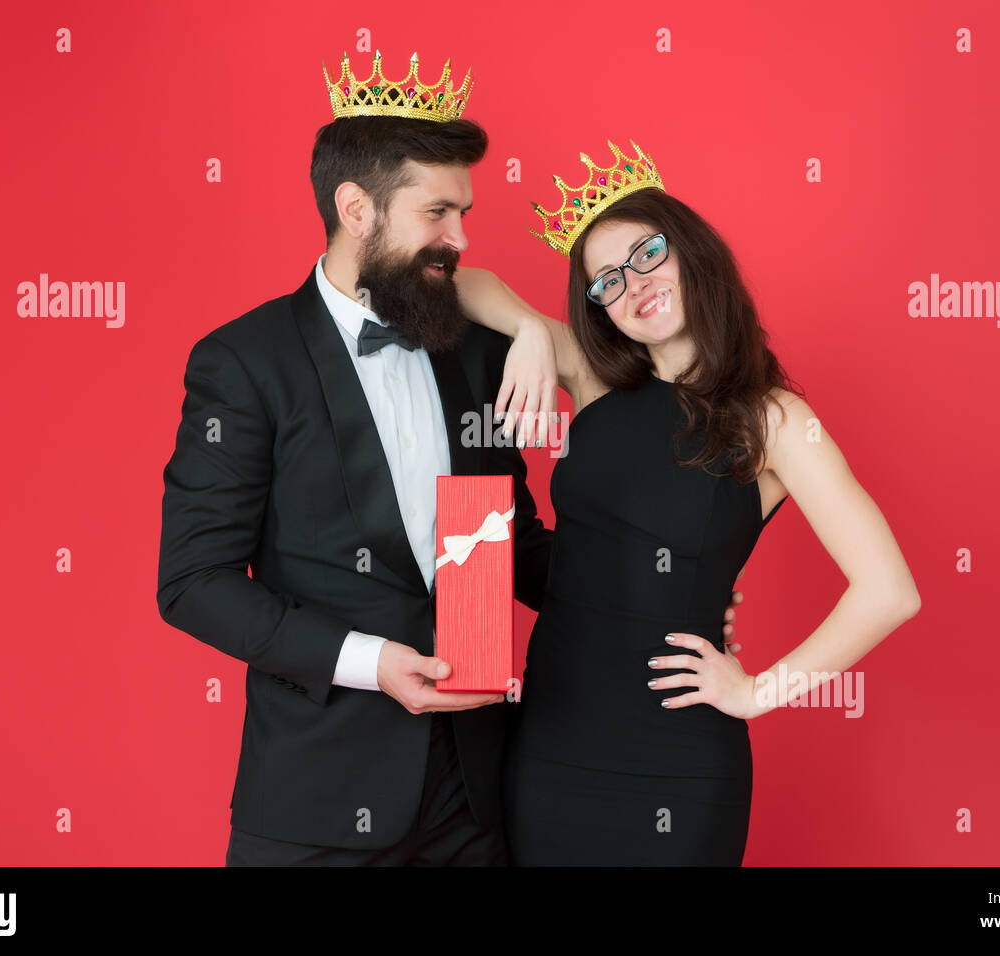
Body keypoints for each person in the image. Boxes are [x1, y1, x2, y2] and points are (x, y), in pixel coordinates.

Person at [156, 54, 746, 866]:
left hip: (481, 794)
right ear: (356, 208)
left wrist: (656, 591)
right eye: (438, 212)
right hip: (317, 802)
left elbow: (514, 540)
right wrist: (370, 663)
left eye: (464, 211)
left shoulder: (472, 351)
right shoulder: (244, 362)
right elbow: (193, 583)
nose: (460, 238)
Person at [453, 140, 922, 865]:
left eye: (646, 254)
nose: (633, 284)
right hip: (548, 745)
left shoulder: (775, 421)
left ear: (691, 248)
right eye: (606, 281)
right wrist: (525, 332)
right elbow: (462, 284)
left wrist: (760, 692)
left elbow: (890, 591)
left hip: (678, 760)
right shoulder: (595, 381)